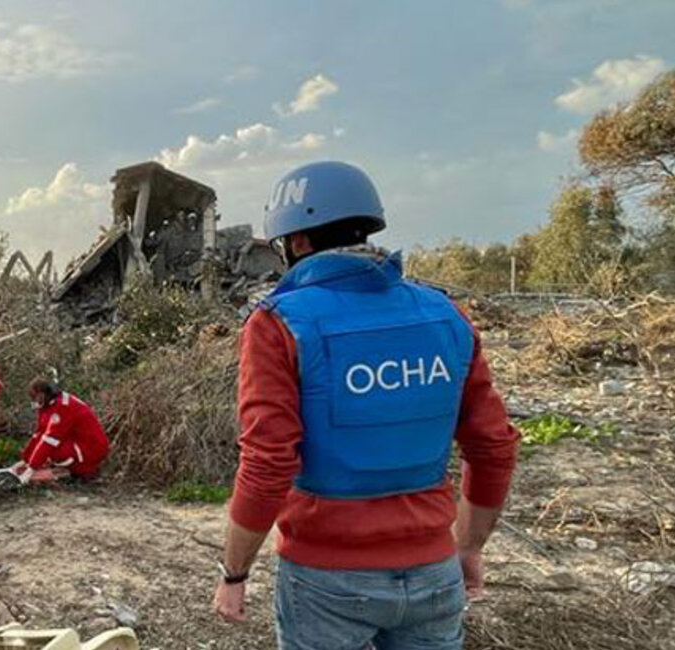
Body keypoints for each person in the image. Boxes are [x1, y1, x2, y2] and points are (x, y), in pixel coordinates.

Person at [209, 161, 520, 650]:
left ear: (299, 242)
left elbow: (268, 461)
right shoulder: (444, 315)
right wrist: (468, 546)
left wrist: (234, 572)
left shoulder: (278, 323)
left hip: (324, 580)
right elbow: (493, 446)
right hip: (433, 570)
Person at [12, 379, 109, 483]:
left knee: (54, 449)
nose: (34, 402)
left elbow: (50, 440)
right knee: (47, 447)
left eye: (35, 397)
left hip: (92, 448)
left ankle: (82, 471)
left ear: (42, 394)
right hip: (80, 442)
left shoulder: (62, 406)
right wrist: (25, 460)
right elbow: (39, 433)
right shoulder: (48, 404)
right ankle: (70, 468)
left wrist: (29, 471)